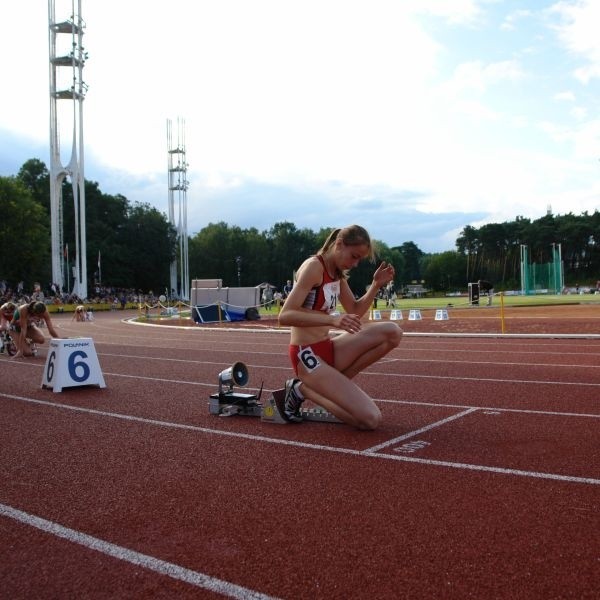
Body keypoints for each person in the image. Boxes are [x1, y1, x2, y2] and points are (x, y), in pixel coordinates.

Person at [278, 225, 402, 429]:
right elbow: (285, 315)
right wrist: (332, 320)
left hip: (328, 347)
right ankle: (302, 389)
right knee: (370, 420)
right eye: (354, 256)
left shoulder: (336, 273)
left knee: (392, 333)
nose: (354, 264)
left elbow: (354, 309)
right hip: (306, 356)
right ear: (339, 244)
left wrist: (375, 286)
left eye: (359, 259)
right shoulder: (313, 267)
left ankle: (328, 387)